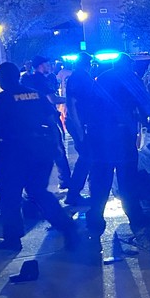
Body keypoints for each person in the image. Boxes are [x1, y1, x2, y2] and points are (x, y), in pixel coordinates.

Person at [0, 62, 78, 251]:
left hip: (11, 154)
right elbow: (52, 123)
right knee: (38, 191)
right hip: (40, 151)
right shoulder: (36, 95)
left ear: (2, 79)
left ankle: (12, 239)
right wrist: (56, 148)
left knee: (10, 197)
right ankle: (66, 225)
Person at [85, 53, 150, 248]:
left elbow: (89, 108)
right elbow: (145, 105)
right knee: (128, 186)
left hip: (100, 140)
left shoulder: (101, 78)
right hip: (123, 140)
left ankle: (94, 228)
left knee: (100, 186)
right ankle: (138, 226)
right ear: (128, 65)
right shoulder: (132, 79)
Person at [22, 56, 72, 189]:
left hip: (33, 121)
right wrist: (69, 99)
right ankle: (65, 181)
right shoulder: (41, 80)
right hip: (48, 119)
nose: (49, 65)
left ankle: (34, 185)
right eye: (47, 64)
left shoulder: (29, 79)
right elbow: (52, 99)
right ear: (40, 65)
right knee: (59, 150)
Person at [64, 52, 95, 206]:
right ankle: (73, 194)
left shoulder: (81, 77)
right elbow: (72, 104)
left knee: (88, 157)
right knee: (86, 157)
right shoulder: (78, 78)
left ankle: (80, 192)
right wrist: (79, 130)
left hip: (82, 123)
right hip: (79, 124)